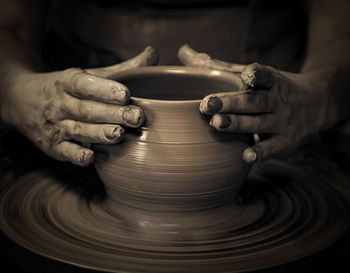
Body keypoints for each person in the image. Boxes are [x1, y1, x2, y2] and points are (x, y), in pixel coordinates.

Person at [0, 0, 349, 167]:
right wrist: (15, 90)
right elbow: (10, 26)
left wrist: (318, 97)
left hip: (272, 126)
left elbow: (340, 33)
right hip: (71, 126)